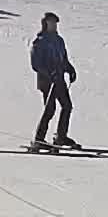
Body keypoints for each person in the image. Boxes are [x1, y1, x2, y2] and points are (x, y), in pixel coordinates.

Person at [29, 13, 79, 150]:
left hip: (59, 80)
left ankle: (61, 136)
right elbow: (36, 64)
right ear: (45, 23)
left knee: (67, 106)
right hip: (47, 81)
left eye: (55, 23)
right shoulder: (40, 41)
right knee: (50, 109)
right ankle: (39, 139)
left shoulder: (59, 40)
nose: (54, 25)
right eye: (51, 22)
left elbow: (63, 59)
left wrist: (70, 69)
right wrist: (49, 73)